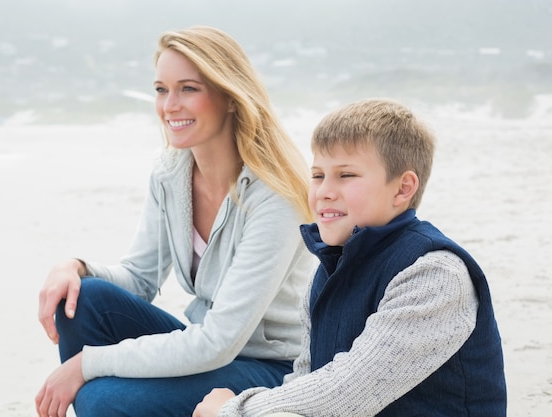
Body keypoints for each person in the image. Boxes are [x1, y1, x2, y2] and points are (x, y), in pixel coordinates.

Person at [35, 25, 317, 417]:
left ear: (231, 98)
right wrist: (74, 267)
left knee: (101, 399)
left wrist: (85, 365)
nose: (169, 105)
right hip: (209, 348)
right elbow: (139, 278)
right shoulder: (171, 172)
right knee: (84, 297)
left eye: (188, 88)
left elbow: (220, 341)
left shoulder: (275, 196)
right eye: (161, 89)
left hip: (272, 367)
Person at [193, 99, 507, 417]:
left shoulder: (434, 273)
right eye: (317, 176)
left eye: (346, 175)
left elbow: (346, 393)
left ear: (402, 188)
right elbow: (305, 380)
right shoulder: (329, 271)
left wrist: (232, 409)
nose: (324, 191)